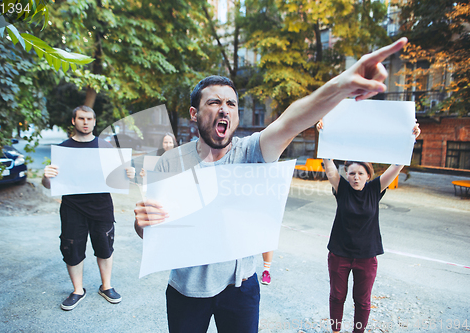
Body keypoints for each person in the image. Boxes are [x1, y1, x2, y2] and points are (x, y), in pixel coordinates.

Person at [134, 38, 409, 333]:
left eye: (231, 104)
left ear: (237, 114)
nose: (224, 109)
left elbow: (291, 121)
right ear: (194, 113)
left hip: (241, 288)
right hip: (186, 290)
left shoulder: (251, 151)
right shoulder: (170, 162)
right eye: (214, 102)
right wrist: (142, 224)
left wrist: (341, 85)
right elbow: (152, 233)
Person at [318, 122, 421, 333]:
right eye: (352, 173)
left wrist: (411, 138)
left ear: (368, 175)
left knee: (362, 301)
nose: (356, 177)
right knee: (337, 296)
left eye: (361, 174)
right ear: (346, 174)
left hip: (366, 256)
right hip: (339, 254)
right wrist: (323, 134)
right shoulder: (342, 189)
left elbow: (397, 165)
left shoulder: (375, 189)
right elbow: (328, 164)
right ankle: (335, 330)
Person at [42, 105, 135, 311]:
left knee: (105, 246)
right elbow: (50, 185)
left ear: (94, 122)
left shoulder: (106, 148)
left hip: (101, 207)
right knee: (72, 248)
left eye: (90, 119)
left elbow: (118, 179)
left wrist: (127, 175)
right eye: (81, 118)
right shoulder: (63, 150)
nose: (86, 122)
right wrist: (46, 177)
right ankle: (77, 290)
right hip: (72, 208)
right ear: (74, 121)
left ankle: (106, 286)